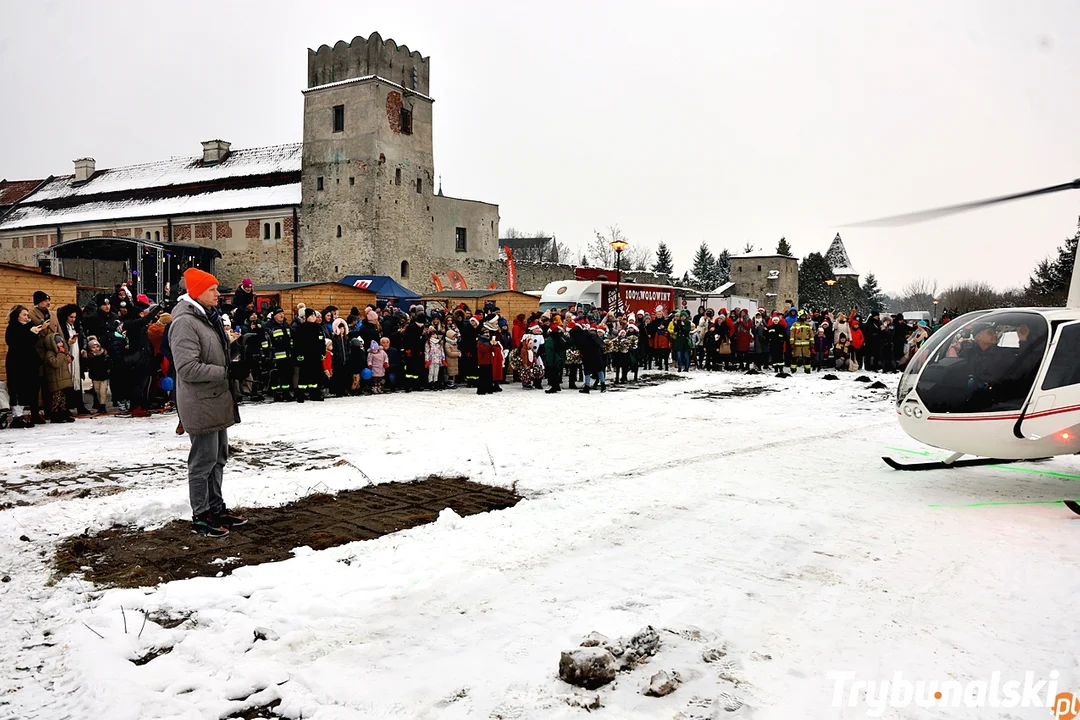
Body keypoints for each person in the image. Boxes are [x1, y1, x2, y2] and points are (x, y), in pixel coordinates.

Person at [169, 267, 247, 537]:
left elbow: (214, 355)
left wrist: (240, 348)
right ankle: (201, 515)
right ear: (197, 292)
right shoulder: (185, 322)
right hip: (200, 402)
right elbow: (188, 368)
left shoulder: (207, 317)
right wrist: (226, 372)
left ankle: (216, 508)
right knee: (202, 461)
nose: (218, 293)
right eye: (212, 289)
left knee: (218, 458)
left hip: (216, 399)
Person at [5, 305, 46, 428]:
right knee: (16, 388)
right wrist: (30, 333)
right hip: (16, 362)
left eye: (27, 315)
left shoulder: (29, 326)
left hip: (28, 362)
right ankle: (17, 416)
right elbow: (14, 343)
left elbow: (30, 342)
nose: (26, 317)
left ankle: (25, 415)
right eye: (24, 315)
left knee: (27, 388)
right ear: (17, 316)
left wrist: (34, 332)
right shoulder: (12, 327)